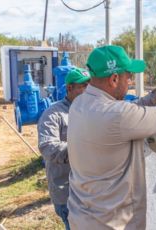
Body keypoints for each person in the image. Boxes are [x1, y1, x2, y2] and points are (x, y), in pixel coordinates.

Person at [66, 45, 156, 229]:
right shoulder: (117, 115)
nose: (130, 81)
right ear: (114, 78)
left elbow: (133, 112)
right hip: (111, 224)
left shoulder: (80, 103)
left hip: (83, 217)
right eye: (129, 76)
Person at [38, 67, 91, 230]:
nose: (89, 90)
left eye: (91, 85)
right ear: (70, 88)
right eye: (84, 86)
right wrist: (84, 149)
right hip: (67, 192)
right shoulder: (53, 114)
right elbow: (48, 147)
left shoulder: (90, 111)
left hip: (89, 190)